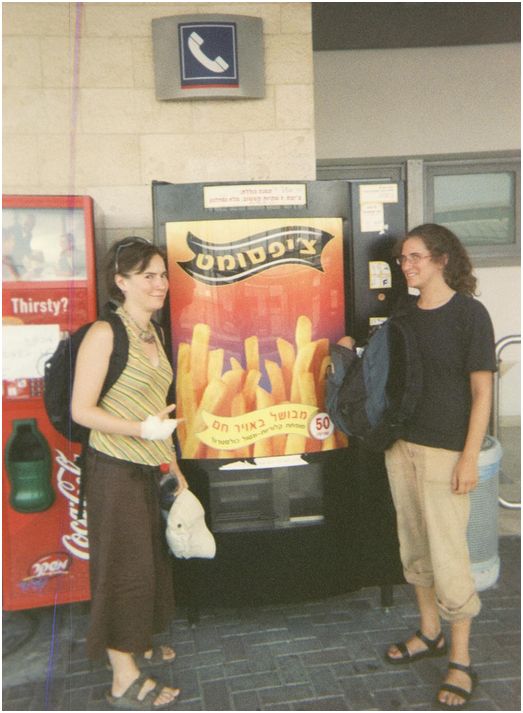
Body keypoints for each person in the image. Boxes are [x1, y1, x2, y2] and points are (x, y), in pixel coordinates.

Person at [340, 224, 496, 710]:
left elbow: (482, 392)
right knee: (415, 547)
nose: (406, 266)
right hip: (400, 447)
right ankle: (430, 632)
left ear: (442, 259)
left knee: (449, 555)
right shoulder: (404, 314)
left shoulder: (470, 315)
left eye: (415, 258)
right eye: (403, 259)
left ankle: (462, 659)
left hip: (446, 452)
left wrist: (469, 456)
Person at [72, 236, 188, 710]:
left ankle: (132, 645)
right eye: (148, 276)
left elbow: (159, 409)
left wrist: (174, 466)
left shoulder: (152, 332)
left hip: (144, 467)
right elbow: (82, 410)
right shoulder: (105, 333)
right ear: (121, 282)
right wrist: (140, 430)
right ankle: (123, 677)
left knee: (146, 566)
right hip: (112, 470)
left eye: (162, 274)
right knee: (124, 570)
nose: (160, 284)